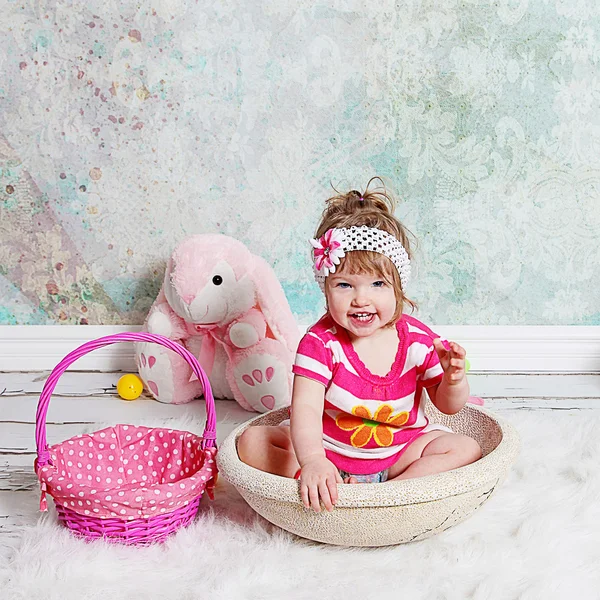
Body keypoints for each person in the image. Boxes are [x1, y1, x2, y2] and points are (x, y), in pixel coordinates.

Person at [237, 178, 482, 513]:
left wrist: (454, 381)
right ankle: (325, 485)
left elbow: (447, 406)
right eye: (344, 284)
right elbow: (305, 410)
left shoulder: (418, 341)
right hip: (329, 452)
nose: (361, 299)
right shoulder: (319, 343)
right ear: (325, 288)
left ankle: (393, 492)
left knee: (465, 448)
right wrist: (312, 461)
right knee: (252, 442)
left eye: (378, 283)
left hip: (400, 454)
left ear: (398, 287)